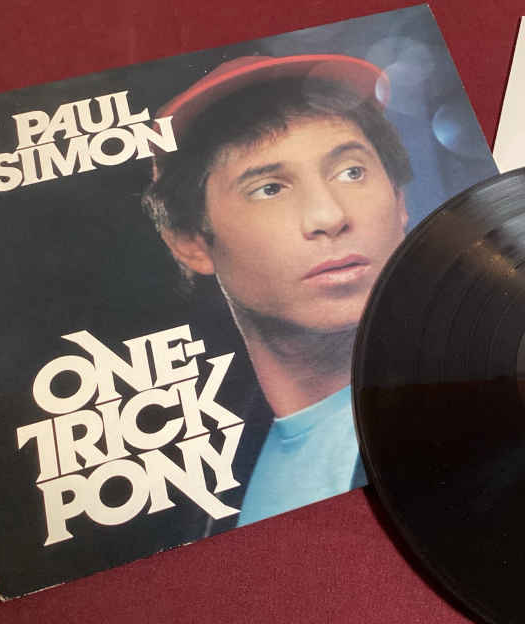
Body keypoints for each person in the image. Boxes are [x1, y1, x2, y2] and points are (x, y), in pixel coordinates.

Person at [142, 55, 413, 528]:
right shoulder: (211, 490)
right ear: (191, 243)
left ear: (400, 201)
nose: (329, 216)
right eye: (269, 188)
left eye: (351, 172)